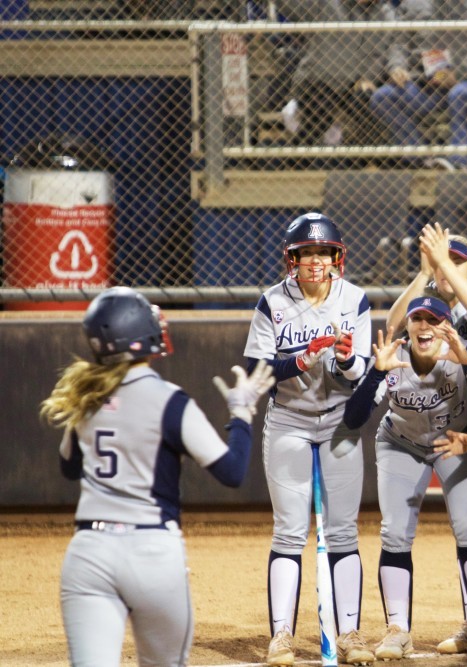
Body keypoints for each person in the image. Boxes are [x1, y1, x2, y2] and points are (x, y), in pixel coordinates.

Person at [42, 287, 274, 667]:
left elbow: (68, 469)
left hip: (88, 554)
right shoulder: (170, 400)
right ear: (142, 334)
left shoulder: (84, 396)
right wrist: (242, 414)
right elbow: (231, 472)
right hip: (151, 552)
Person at [343, 294, 467, 661]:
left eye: (434, 319)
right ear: (406, 326)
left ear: (447, 326)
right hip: (400, 442)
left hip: (456, 441)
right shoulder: (392, 358)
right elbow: (354, 419)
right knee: (394, 533)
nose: (425, 326)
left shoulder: (464, 354)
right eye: (417, 319)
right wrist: (376, 372)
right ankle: (398, 630)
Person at [243, 212, 374, 666]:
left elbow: (362, 374)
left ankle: (351, 632)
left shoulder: (354, 300)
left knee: (342, 531)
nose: (315, 261)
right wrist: (299, 361)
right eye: (306, 254)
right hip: (290, 420)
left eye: (322, 252)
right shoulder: (272, 302)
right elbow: (256, 368)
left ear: (337, 256)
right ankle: (281, 635)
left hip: (338, 420)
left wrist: (344, 358)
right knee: (290, 531)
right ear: (291, 259)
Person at [370, 0, 467, 169]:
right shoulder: (412, 3)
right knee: (383, 97)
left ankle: (459, 164)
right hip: (424, 85)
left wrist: (459, 73)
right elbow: (399, 42)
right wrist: (397, 67)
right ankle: (420, 158)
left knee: (461, 95)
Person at [281, 0, 398, 146]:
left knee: (367, 101)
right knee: (321, 102)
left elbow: (378, 54)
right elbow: (291, 5)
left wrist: (368, 77)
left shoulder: (385, 14)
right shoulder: (326, 4)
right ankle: (299, 155)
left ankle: (369, 158)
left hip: (353, 82)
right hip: (318, 79)